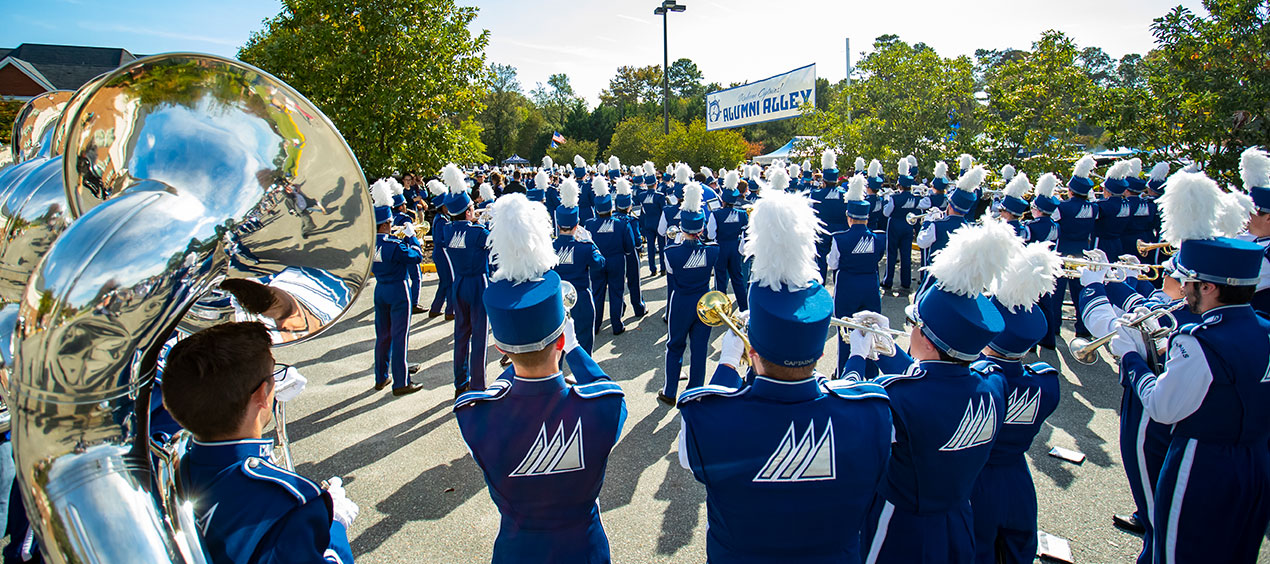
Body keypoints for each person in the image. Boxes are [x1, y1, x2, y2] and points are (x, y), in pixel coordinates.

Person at [675, 174, 893, 564]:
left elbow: (691, 450)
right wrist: (858, 357)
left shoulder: (707, 419)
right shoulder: (871, 414)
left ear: (752, 349)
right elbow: (852, 390)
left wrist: (727, 364)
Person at [455, 193, 626, 564]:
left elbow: (499, 397)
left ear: (501, 348)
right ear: (561, 338)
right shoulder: (605, 407)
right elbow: (604, 389)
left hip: (517, 551)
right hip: (585, 550)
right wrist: (577, 350)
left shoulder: (474, 416)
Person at [1110, 170, 1270, 564]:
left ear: (1210, 287)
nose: (1182, 289)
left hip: (1202, 462)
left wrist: (1131, 357)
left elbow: (1163, 406)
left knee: (1177, 552)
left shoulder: (1199, 340)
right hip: (1254, 462)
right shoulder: (1264, 328)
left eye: (1190, 282)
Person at [845, 220, 1015, 564]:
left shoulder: (897, 396)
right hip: (958, 520)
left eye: (914, 325)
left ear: (926, 339)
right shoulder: (994, 383)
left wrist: (856, 359)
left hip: (899, 526)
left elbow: (849, 414)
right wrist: (892, 352)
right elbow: (937, 384)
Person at [163, 322, 357, 564]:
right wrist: (334, 526)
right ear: (260, 395)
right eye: (274, 376)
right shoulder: (295, 505)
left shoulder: (178, 467)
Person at [971, 242, 1063, 564]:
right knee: (1017, 551)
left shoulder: (977, 383)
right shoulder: (1047, 382)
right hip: (1018, 481)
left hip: (975, 480)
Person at [660, 182, 719, 406]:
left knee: (675, 345)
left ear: (682, 226)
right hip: (704, 301)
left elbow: (673, 274)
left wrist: (679, 240)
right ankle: (695, 391)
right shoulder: (713, 250)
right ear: (702, 228)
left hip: (681, 301)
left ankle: (669, 391)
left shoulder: (671, 252)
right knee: (700, 348)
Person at [827, 175, 886, 378]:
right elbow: (877, 258)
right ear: (867, 217)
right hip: (870, 285)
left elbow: (832, 263)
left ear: (849, 217)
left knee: (845, 330)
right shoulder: (879, 237)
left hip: (846, 288)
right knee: (870, 329)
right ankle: (870, 372)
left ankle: (845, 371)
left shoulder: (840, 238)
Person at [440, 164, 491, 396]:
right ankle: (478, 384)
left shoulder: (447, 231)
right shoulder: (478, 232)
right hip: (478, 283)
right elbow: (493, 243)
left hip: (458, 283)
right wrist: (488, 220)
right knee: (479, 335)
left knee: (461, 334)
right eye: (472, 207)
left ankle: (460, 383)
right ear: (468, 211)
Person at [370, 180, 424, 395]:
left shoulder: (370, 244)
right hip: (398, 290)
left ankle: (381, 376)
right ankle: (401, 382)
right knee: (400, 335)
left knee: (383, 336)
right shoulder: (393, 244)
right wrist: (411, 237)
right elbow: (416, 257)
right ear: (385, 224)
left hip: (380, 289)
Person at [554, 179, 605, 354]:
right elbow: (599, 264)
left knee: (557, 346)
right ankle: (583, 379)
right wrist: (590, 241)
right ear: (577, 225)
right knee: (584, 343)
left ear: (558, 225)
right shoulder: (585, 246)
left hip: (556, 299)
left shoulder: (549, 247)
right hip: (581, 297)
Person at [1054, 154, 1100, 338]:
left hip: (1063, 251)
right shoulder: (1094, 208)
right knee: (1081, 293)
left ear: (1071, 190)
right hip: (1083, 251)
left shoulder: (1062, 207)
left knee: (1056, 293)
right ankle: (1083, 328)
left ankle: (1054, 327)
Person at [584, 177, 636, 336]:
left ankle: (596, 325)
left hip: (597, 262)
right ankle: (617, 324)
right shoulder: (621, 223)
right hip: (617, 261)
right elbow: (630, 245)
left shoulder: (589, 224)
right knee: (616, 292)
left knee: (597, 293)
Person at [916, 167, 981, 288]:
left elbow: (921, 242)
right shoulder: (970, 229)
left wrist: (928, 222)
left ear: (950, 206)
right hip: (957, 280)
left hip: (935, 277)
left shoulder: (937, 225)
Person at [1024, 173, 1062, 350]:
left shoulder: (1032, 226)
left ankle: (1030, 342)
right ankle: (1048, 340)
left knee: (1030, 304)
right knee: (1047, 304)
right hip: (1048, 265)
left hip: (1033, 267)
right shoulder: (1056, 225)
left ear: (1037, 208)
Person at [707, 170, 750, 312]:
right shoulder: (743, 214)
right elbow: (745, 233)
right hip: (736, 247)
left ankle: (721, 310)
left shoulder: (716, 213)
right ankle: (744, 309)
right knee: (738, 278)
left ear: (723, 200)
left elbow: (711, 233)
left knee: (720, 280)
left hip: (721, 247)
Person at [1238, 147, 1270, 316]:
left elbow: (1234, 287)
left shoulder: (1267, 254)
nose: (1246, 216)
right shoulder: (1256, 242)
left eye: (1251, 212)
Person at [882, 159, 920, 293]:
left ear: (899, 185)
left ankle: (888, 280)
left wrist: (887, 201)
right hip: (908, 227)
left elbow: (887, 213)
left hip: (894, 226)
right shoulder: (915, 198)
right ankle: (906, 282)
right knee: (906, 255)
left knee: (892, 254)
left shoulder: (894, 198)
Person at [613, 178, 647, 318]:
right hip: (630, 253)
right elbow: (637, 239)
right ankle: (638, 307)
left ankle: (620, 308)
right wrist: (640, 249)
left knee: (618, 284)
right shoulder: (631, 219)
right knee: (634, 282)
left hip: (616, 253)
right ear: (629, 205)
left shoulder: (613, 217)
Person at [425, 179, 456, 320]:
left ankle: (435, 308)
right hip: (443, 253)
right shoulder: (442, 220)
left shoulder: (442, 218)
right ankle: (450, 310)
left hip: (441, 253)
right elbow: (440, 240)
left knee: (444, 282)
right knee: (449, 281)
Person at [1094, 160, 1133, 260]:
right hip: (1117, 243)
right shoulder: (1126, 204)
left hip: (1101, 244)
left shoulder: (1103, 205)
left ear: (1108, 191)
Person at [637, 161, 667, 276]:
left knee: (650, 247)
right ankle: (663, 268)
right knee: (662, 246)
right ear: (655, 183)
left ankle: (652, 269)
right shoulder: (660, 196)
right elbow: (663, 210)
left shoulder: (642, 195)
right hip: (659, 223)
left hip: (648, 222)